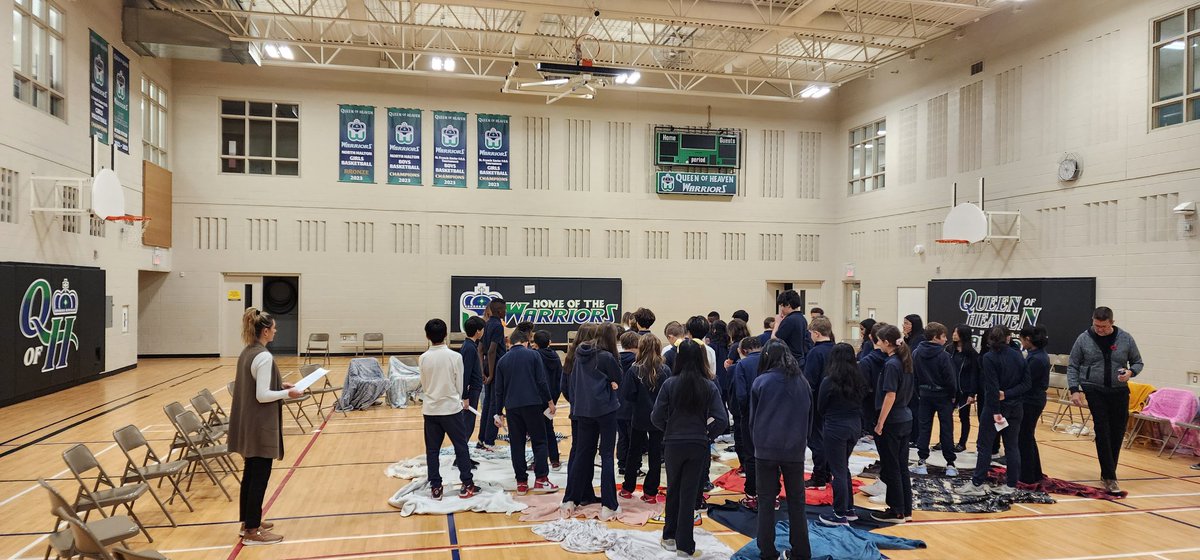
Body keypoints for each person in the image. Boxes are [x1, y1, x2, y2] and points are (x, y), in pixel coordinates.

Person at [229, 308, 303, 545]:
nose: (276, 331)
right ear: (265, 331)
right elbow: (262, 395)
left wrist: (279, 384)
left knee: (250, 474)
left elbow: (257, 385)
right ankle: (252, 531)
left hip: (248, 423)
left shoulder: (247, 352)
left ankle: (248, 522)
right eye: (273, 327)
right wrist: (287, 393)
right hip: (260, 424)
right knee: (259, 477)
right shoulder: (263, 356)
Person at [652, 340, 728, 558]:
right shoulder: (709, 385)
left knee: (673, 489)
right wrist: (708, 435)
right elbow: (722, 419)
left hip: (673, 443)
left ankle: (669, 537)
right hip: (697, 444)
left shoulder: (669, 384)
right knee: (689, 494)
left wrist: (669, 429)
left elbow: (656, 416)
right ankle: (685, 546)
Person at [1068, 306, 1142, 494]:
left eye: (1103, 326)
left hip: (1119, 390)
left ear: (1112, 323)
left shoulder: (1125, 338)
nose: (1099, 329)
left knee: (1117, 432)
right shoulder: (1083, 338)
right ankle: (1110, 477)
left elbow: (1137, 362)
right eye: (1096, 325)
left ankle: (1108, 471)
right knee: (1102, 428)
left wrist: (1131, 372)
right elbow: (1073, 365)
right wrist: (1074, 390)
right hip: (1093, 388)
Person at [750, 340, 812, 560]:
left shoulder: (761, 382)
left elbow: (752, 419)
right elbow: (809, 417)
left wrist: (756, 443)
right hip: (794, 450)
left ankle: (767, 551)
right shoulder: (802, 382)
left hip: (765, 449)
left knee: (766, 501)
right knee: (797, 502)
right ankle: (802, 551)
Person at [957, 326, 1030, 496]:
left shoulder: (989, 358)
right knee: (1012, 446)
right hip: (1016, 407)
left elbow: (992, 389)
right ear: (1008, 338)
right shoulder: (1018, 355)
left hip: (995, 409)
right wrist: (1009, 394)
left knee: (984, 446)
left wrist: (998, 408)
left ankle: (977, 484)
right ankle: (1011, 485)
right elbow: (1026, 384)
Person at [561, 323, 623, 519]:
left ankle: (570, 499)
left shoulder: (577, 355)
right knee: (606, 456)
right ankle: (609, 505)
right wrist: (611, 383)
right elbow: (618, 378)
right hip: (605, 411)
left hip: (582, 411)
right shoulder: (606, 357)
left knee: (581, 455)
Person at [418, 318, 478, 500]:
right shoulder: (455, 357)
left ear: (427, 336)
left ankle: (436, 487)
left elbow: (424, 383)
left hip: (430, 409)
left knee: (432, 450)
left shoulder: (423, 358)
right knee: (461, 446)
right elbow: (459, 385)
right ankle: (467, 483)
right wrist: (454, 397)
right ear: (445, 335)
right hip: (451, 409)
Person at [494, 329, 557, 495]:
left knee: (517, 444)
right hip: (532, 404)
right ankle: (541, 480)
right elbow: (542, 381)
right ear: (526, 342)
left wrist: (498, 412)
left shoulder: (502, 360)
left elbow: (498, 390)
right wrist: (550, 401)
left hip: (512, 407)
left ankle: (521, 482)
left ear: (511, 342)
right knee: (539, 441)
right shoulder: (533, 355)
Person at [817, 343, 868, 527]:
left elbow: (821, 406)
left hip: (836, 426)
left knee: (837, 470)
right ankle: (849, 509)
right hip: (855, 425)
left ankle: (839, 514)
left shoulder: (829, 381)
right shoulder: (859, 379)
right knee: (842, 467)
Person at [870, 324, 914, 524]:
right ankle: (906, 508)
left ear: (887, 343)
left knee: (892, 466)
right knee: (902, 466)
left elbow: (890, 395)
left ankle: (896, 510)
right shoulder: (904, 361)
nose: (877, 343)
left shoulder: (891, 364)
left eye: (878, 340)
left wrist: (880, 422)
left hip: (893, 420)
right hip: (905, 417)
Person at [620, 334, 668, 503]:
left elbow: (627, 394)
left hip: (639, 415)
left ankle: (628, 487)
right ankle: (650, 491)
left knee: (634, 452)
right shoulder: (665, 369)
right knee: (656, 454)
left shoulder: (635, 369)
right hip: (659, 418)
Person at [911, 322, 959, 477]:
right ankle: (950, 464)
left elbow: (914, 376)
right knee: (946, 429)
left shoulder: (916, 353)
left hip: (924, 395)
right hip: (943, 396)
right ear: (935, 337)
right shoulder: (943, 355)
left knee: (924, 428)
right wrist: (953, 395)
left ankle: (922, 461)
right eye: (944, 336)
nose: (946, 340)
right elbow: (950, 379)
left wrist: (919, 392)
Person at [732, 336, 764, 510]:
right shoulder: (770, 360)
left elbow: (741, 395)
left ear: (743, 351)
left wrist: (743, 413)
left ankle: (751, 493)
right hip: (770, 416)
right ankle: (772, 494)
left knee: (751, 455)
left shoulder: (742, 365)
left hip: (750, 415)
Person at [804, 317, 835, 488]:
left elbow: (809, 382)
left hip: (817, 402)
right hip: (835, 402)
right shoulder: (837, 349)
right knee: (828, 439)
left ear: (816, 333)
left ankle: (819, 476)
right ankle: (827, 473)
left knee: (816, 440)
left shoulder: (815, 353)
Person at [1018, 324, 1050, 485]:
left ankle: (1027, 474)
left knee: (1024, 436)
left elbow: (1026, 382)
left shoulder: (1037, 358)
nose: (1021, 342)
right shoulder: (1034, 355)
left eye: (1022, 339)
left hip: (1031, 401)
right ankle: (1033, 471)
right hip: (1031, 399)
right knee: (1027, 436)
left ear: (1028, 339)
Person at [477, 299, 508, 450]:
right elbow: (490, 351)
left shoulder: (487, 324)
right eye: (505, 309)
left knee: (488, 404)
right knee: (496, 405)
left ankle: (481, 439)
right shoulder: (497, 326)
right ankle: (490, 441)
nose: (506, 312)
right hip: (496, 369)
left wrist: (482, 370)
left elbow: (480, 349)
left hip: (488, 368)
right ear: (500, 311)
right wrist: (491, 374)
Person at [531, 330, 564, 469]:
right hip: (552, 397)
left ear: (535, 343)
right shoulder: (556, 356)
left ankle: (538, 461)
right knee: (549, 428)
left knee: (537, 432)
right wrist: (554, 398)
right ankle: (554, 459)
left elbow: (537, 379)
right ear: (550, 342)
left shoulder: (535, 356)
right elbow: (559, 379)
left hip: (538, 398)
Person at [946, 324, 979, 453]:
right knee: (946, 416)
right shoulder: (949, 349)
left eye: (957, 332)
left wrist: (972, 393)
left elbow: (974, 375)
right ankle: (945, 440)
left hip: (965, 391)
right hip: (950, 390)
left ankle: (962, 442)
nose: (953, 334)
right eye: (953, 331)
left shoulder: (972, 354)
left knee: (964, 417)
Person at [617, 330, 641, 476]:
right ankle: (634, 467)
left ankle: (621, 464)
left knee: (622, 437)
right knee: (635, 439)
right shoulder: (637, 362)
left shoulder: (614, 359)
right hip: (633, 405)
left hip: (617, 404)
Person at [460, 316, 485, 443]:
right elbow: (465, 373)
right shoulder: (469, 348)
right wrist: (465, 396)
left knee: (469, 424)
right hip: (471, 391)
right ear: (478, 331)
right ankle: (461, 458)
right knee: (467, 425)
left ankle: (462, 456)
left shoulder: (470, 345)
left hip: (474, 389)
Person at [772, 289, 813, 371]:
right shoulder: (802, 318)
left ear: (788, 305)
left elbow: (775, 340)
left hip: (789, 362)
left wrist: (777, 323)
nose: (781, 309)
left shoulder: (789, 320)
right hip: (800, 360)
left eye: (781, 306)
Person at [859, 324, 887, 437]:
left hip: (870, 407)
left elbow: (863, 387)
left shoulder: (866, 361)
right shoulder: (897, 360)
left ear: (871, 337)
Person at [902, 314, 926, 445]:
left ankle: (916, 437)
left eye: (907, 323)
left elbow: (912, 356)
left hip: (916, 378)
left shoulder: (920, 338)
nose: (904, 326)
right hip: (909, 377)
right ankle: (911, 436)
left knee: (916, 410)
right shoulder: (909, 339)